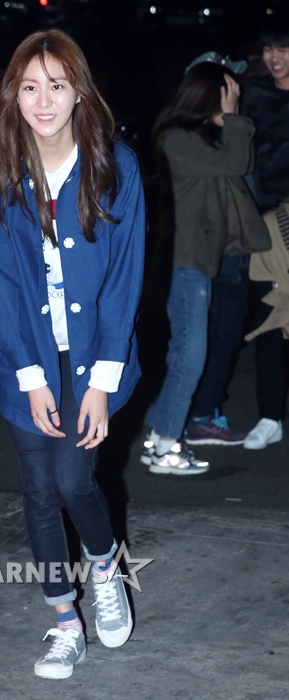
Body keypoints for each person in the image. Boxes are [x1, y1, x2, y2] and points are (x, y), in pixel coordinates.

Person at [0, 29, 146, 679]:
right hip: (25, 351)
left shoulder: (114, 166)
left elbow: (124, 280)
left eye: (57, 86)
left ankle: (104, 565)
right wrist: (29, 373)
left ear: (79, 94)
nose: (42, 101)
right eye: (29, 86)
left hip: (92, 352)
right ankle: (65, 623)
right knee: (39, 487)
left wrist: (101, 381)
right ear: (13, 93)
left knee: (72, 479)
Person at [142, 61, 269, 475]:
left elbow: (239, 163)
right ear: (209, 97)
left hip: (194, 260)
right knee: (190, 355)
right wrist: (233, 118)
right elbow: (237, 163)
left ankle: (158, 435)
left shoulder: (192, 138)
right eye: (228, 95)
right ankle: (165, 448)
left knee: (185, 353)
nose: (233, 103)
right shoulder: (177, 137)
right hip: (183, 261)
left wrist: (230, 120)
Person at [239, 18, 289, 449]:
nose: (275, 57)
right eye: (270, 48)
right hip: (268, 224)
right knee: (269, 314)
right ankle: (270, 415)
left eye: (284, 48)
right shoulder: (252, 94)